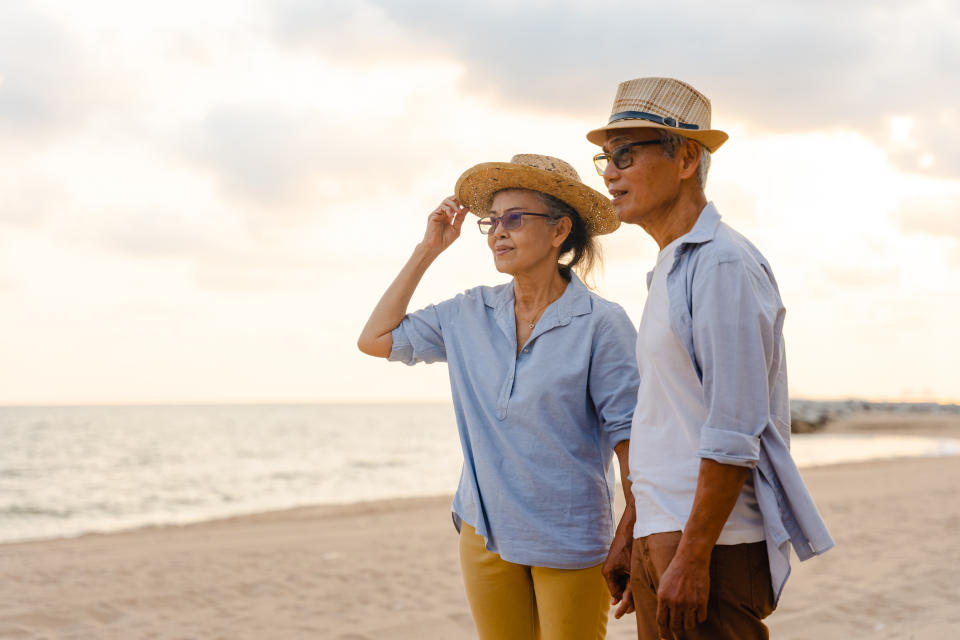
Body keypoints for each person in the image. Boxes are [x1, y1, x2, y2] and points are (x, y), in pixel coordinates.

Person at [588, 77, 834, 639]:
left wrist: (693, 556)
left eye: (627, 154)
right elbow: (667, 421)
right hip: (665, 534)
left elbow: (733, 425)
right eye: (606, 156)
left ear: (685, 159)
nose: (609, 172)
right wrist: (633, 526)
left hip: (710, 545)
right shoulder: (670, 269)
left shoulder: (722, 264)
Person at [357, 154, 641, 640]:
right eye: (492, 221)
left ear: (559, 231)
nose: (498, 233)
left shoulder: (601, 323)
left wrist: (633, 534)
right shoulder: (468, 313)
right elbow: (375, 339)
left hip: (570, 536)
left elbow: (630, 436)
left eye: (515, 219)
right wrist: (428, 250)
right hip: (483, 531)